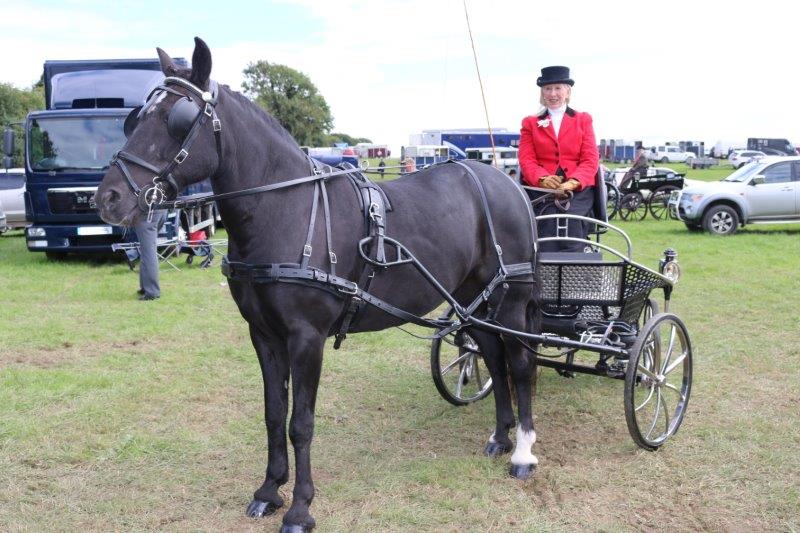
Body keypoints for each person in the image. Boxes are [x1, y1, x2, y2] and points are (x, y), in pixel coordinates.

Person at [518, 65, 600, 252]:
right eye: (548, 89)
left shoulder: (583, 119)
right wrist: (542, 179)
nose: (553, 93)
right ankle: (543, 263)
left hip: (577, 191)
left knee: (571, 219)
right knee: (546, 218)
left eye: (557, 88)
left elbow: (590, 158)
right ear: (542, 92)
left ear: (567, 91)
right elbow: (526, 159)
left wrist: (574, 182)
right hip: (541, 191)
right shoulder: (530, 123)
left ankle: (575, 264)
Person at [124, 210, 167, 300]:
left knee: (148, 252)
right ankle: (145, 287)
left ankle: (152, 292)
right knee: (146, 250)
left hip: (148, 213)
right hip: (161, 210)